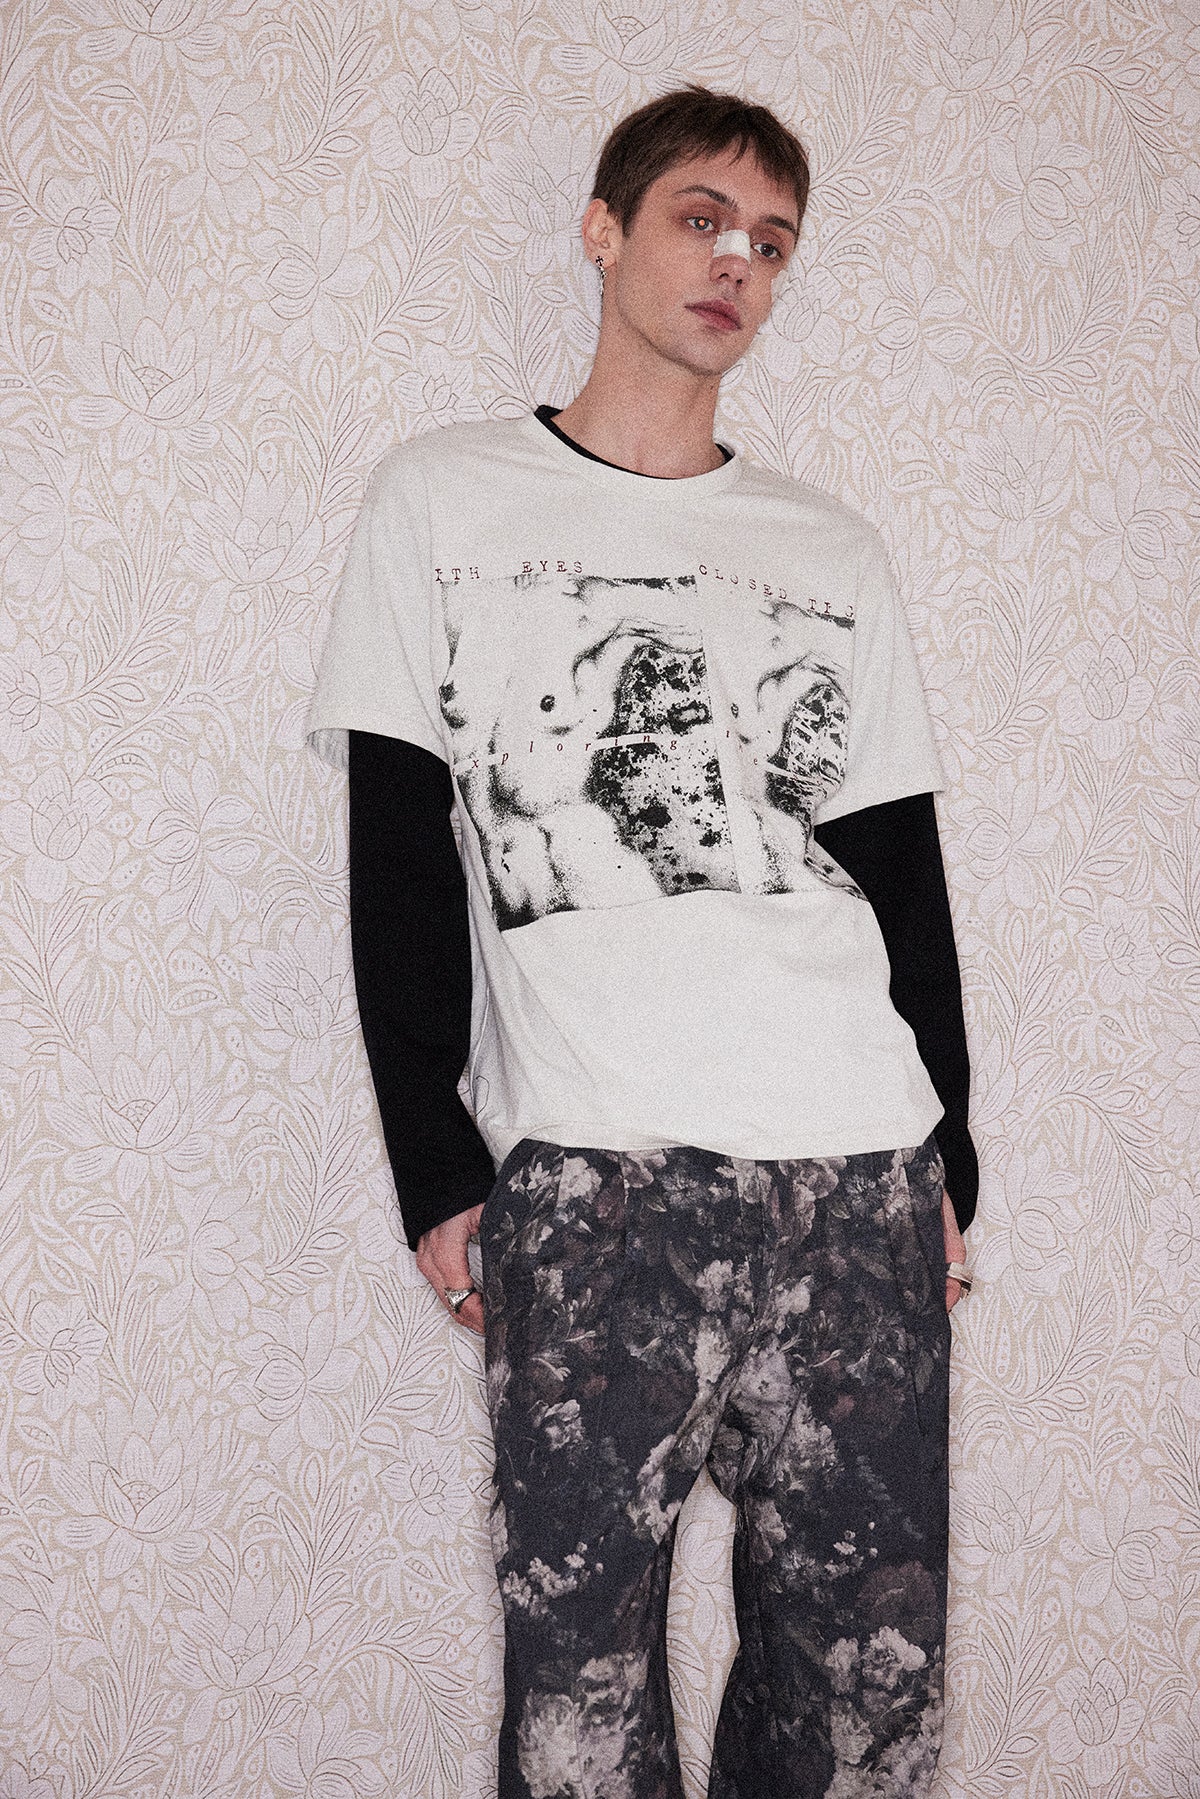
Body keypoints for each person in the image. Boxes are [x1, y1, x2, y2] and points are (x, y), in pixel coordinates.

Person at [308, 83, 977, 1799]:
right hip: (601, 1186)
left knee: (866, 1707)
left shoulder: (828, 547)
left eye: (772, 242)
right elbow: (400, 852)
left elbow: (899, 872)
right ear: (603, 232)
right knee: (581, 1711)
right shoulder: (442, 500)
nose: (736, 262)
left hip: (861, 1179)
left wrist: (950, 1158)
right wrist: (433, 1161)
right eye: (700, 218)